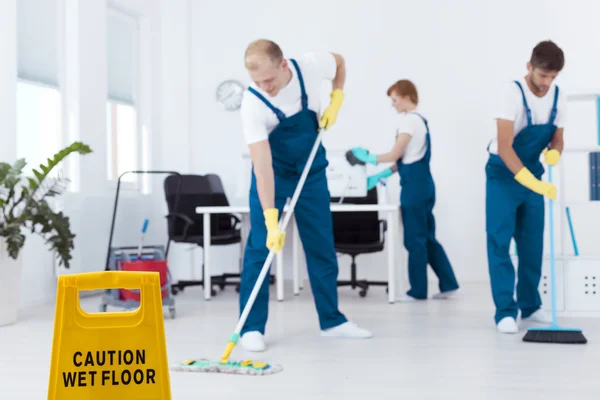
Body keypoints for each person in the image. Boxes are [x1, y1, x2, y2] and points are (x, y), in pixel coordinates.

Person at [238, 39, 372, 352]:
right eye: (257, 82)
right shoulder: (253, 102)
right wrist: (272, 220)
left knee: (321, 246)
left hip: (312, 172)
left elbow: (339, 61)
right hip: (274, 175)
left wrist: (336, 97)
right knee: (260, 247)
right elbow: (262, 165)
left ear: (284, 65)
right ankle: (250, 328)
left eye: (269, 79)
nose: (265, 87)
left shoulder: (309, 66)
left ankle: (332, 321)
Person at [349, 79, 459, 302]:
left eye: (395, 99)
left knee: (414, 240)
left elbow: (394, 154)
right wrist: (382, 175)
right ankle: (448, 284)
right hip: (424, 185)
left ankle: (417, 291)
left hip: (414, 189)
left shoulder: (409, 122)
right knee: (427, 237)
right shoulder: (421, 122)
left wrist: (367, 158)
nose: (393, 105)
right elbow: (406, 160)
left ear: (407, 97)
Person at [485, 40, 566, 334]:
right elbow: (505, 147)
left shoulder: (558, 96)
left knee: (532, 244)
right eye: (543, 76)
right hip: (502, 176)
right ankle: (506, 311)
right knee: (500, 242)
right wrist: (532, 181)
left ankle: (530, 305)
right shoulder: (511, 94)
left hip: (532, 173)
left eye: (553, 77)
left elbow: (557, 136)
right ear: (529, 67)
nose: (547, 83)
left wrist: (555, 152)